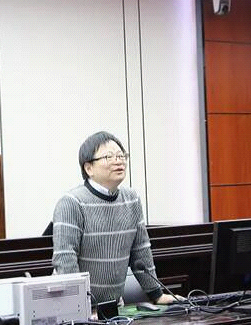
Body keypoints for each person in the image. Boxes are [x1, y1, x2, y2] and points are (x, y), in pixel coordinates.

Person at [52, 131, 177, 306]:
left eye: (121, 155)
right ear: (89, 168)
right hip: (73, 308)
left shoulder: (131, 198)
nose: (118, 161)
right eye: (108, 157)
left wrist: (157, 295)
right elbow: (65, 260)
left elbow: (141, 251)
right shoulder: (72, 202)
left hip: (114, 306)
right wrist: (81, 306)